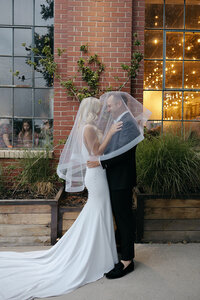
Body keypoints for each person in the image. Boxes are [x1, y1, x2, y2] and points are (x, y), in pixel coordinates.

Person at [0, 97, 121, 299]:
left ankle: (102, 255)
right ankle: (96, 257)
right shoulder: (88, 128)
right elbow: (97, 152)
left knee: (98, 212)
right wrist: (110, 133)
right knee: (97, 212)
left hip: (98, 173)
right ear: (92, 110)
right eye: (99, 109)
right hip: (97, 176)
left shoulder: (88, 126)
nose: (101, 112)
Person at [87, 91, 151, 279]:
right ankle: (122, 255)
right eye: (106, 106)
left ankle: (127, 261)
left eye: (109, 105)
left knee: (124, 219)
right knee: (121, 217)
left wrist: (101, 162)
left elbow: (123, 153)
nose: (107, 109)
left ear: (120, 105)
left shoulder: (128, 123)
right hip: (116, 178)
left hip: (122, 180)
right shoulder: (120, 122)